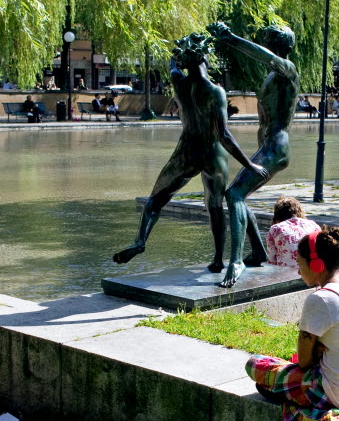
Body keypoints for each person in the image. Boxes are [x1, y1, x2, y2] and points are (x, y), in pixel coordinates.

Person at [112, 33, 266, 269]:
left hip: (186, 150)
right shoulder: (216, 92)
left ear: (186, 60)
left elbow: (172, 65)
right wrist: (250, 165)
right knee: (214, 206)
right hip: (212, 153)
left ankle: (140, 241)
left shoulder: (179, 83)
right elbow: (224, 135)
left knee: (155, 200)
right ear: (205, 57)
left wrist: (177, 56)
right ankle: (217, 260)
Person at [245, 226, 339, 421]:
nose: (298, 271)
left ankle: (316, 416)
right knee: (275, 378)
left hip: (336, 392)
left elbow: (305, 362)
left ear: (316, 265)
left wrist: (315, 352)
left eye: (299, 264)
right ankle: (299, 401)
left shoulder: (320, 299)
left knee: (256, 366)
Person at [208, 22, 299, 288]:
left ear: (283, 48)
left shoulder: (288, 69)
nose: (268, 47)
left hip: (277, 146)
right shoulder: (273, 75)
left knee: (233, 194)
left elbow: (266, 57)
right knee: (239, 194)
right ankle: (258, 251)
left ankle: (235, 261)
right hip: (268, 145)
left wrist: (231, 37)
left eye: (273, 43)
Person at [266, 196, 320, 268]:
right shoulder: (313, 225)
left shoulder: (276, 229)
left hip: (286, 274)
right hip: (313, 270)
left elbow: (271, 259)